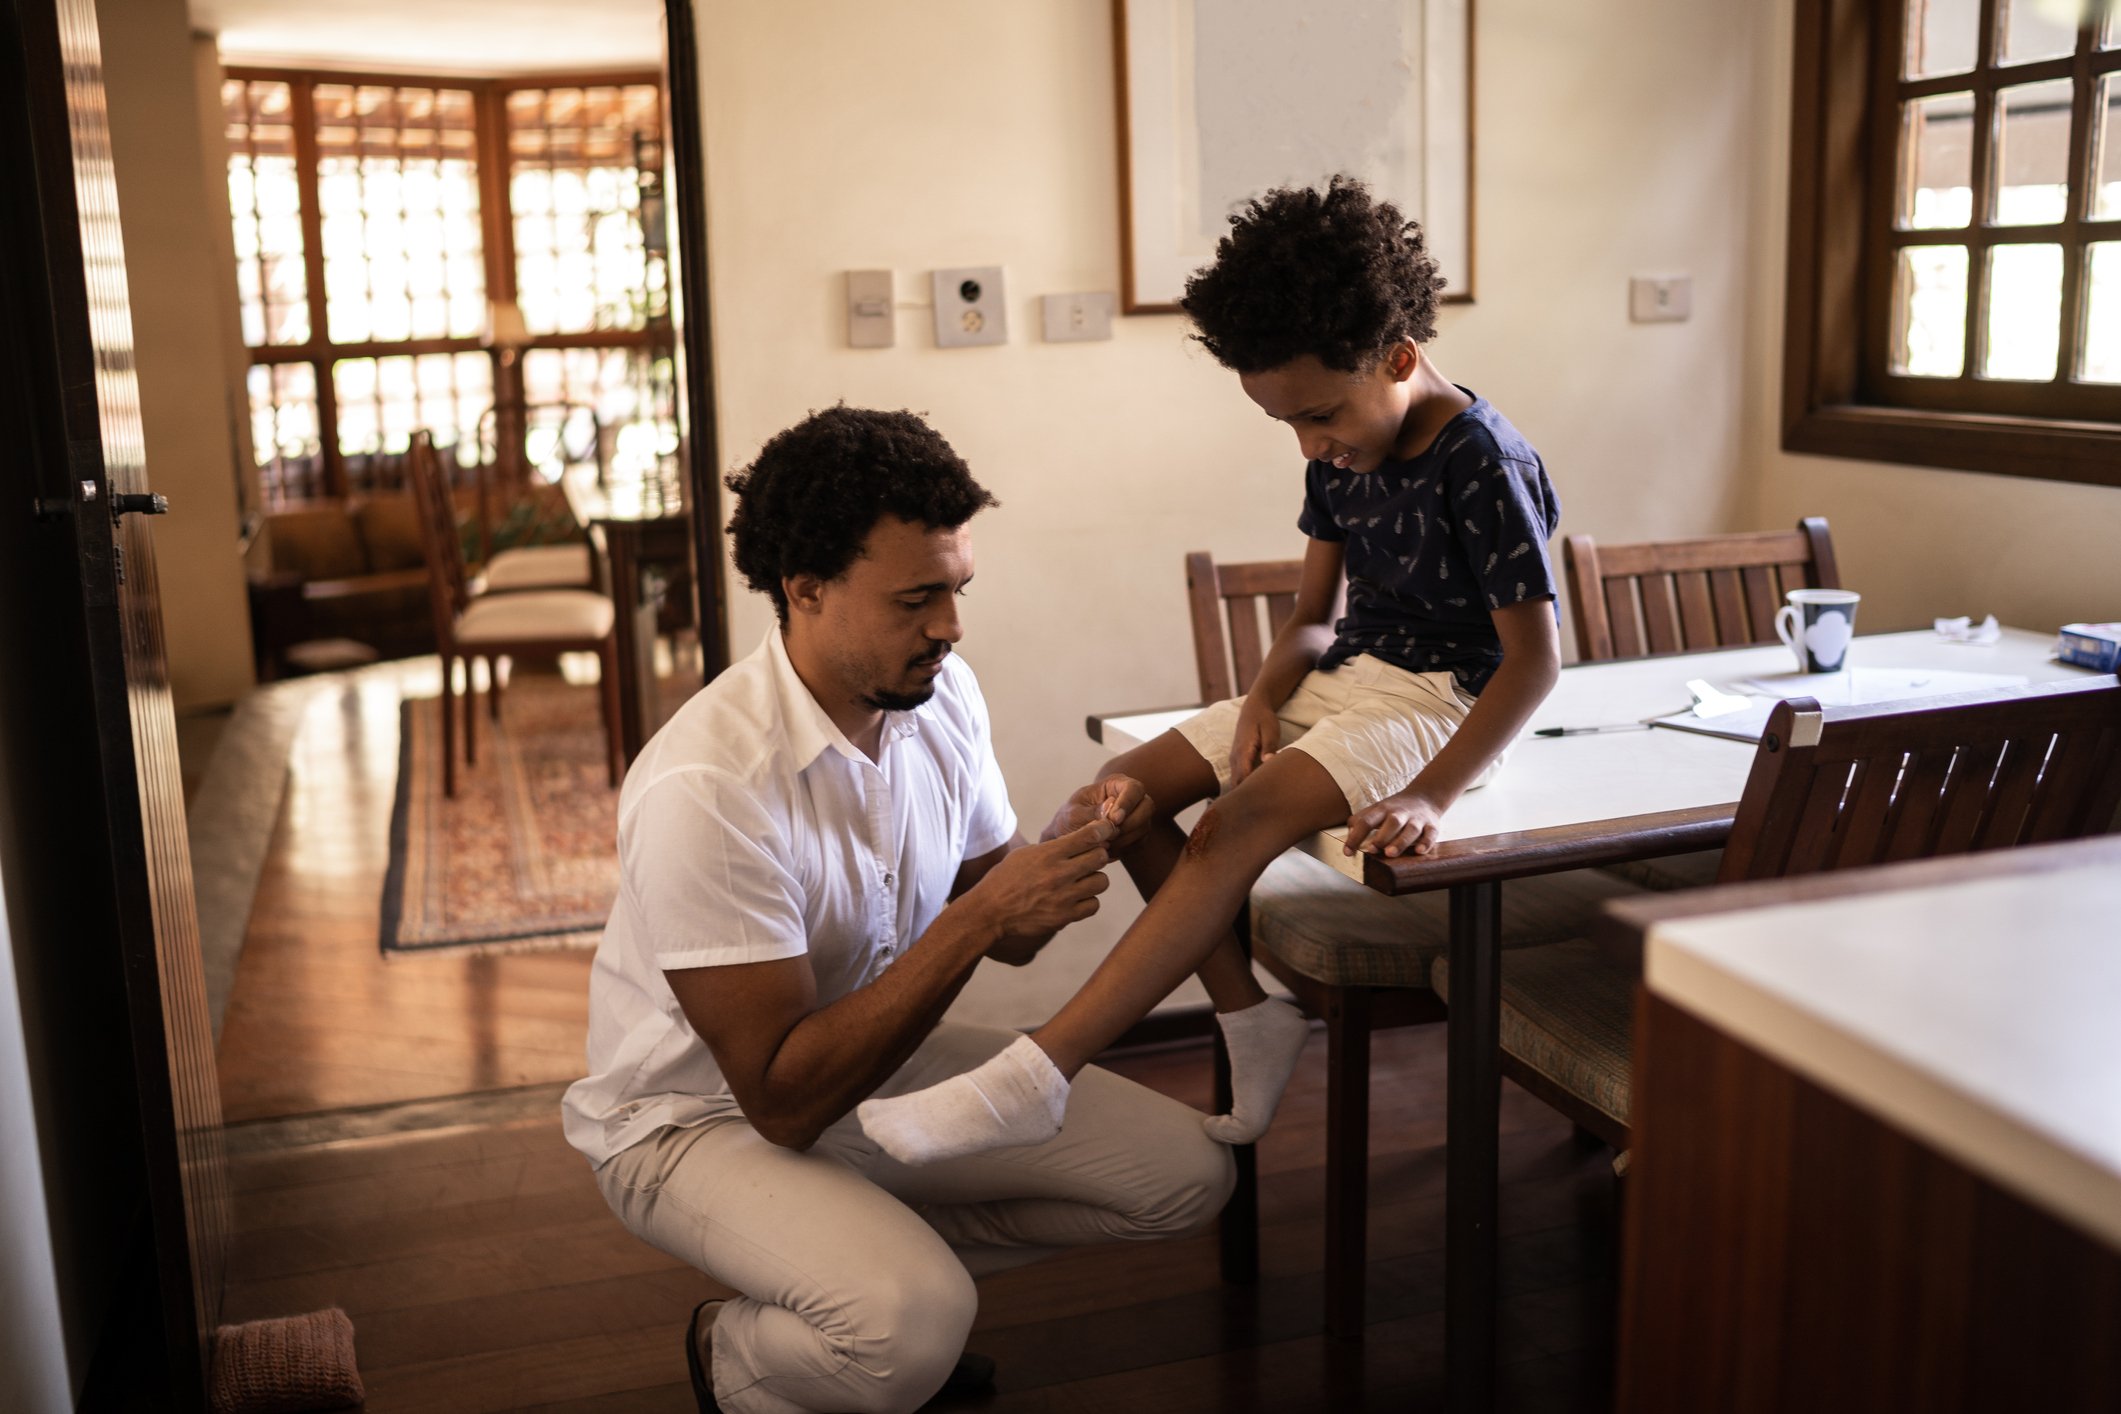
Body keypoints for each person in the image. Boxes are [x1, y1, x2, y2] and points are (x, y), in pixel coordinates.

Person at [858, 176, 1564, 1167]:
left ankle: (1037, 1074)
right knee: (1118, 799)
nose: (1310, 445)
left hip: (1442, 703)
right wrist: (1264, 698)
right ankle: (1250, 1014)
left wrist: (1435, 796)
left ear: (1398, 357)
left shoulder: (1480, 460)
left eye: (1319, 415)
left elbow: (1536, 663)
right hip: (1350, 675)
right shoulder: (1338, 454)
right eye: (1286, 425)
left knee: (1232, 824)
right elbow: (1315, 621)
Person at [561, 406, 1235, 1414]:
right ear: (805, 589)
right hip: (699, 1118)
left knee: (1186, 1175)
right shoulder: (709, 783)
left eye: (958, 590)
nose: (951, 628)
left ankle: (865, 1291)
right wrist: (980, 921)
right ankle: (745, 1351)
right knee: (907, 1323)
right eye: (917, 599)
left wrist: (1078, 841)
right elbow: (782, 1101)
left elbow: (1003, 920)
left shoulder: (941, 695)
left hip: (876, 1052)